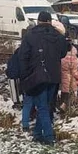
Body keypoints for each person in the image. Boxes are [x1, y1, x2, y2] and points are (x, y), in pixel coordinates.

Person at [13, 11, 68, 144]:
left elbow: (23, 56)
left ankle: (49, 137)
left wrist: (25, 75)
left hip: (36, 75)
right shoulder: (58, 36)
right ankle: (37, 134)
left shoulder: (30, 35)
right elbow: (63, 53)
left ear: (38, 21)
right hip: (54, 75)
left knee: (42, 107)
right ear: (50, 21)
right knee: (46, 106)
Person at [60, 39, 78, 107]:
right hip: (72, 83)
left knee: (64, 97)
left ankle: (62, 107)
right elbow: (75, 73)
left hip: (63, 83)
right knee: (71, 99)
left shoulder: (62, 60)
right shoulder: (75, 61)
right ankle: (69, 109)